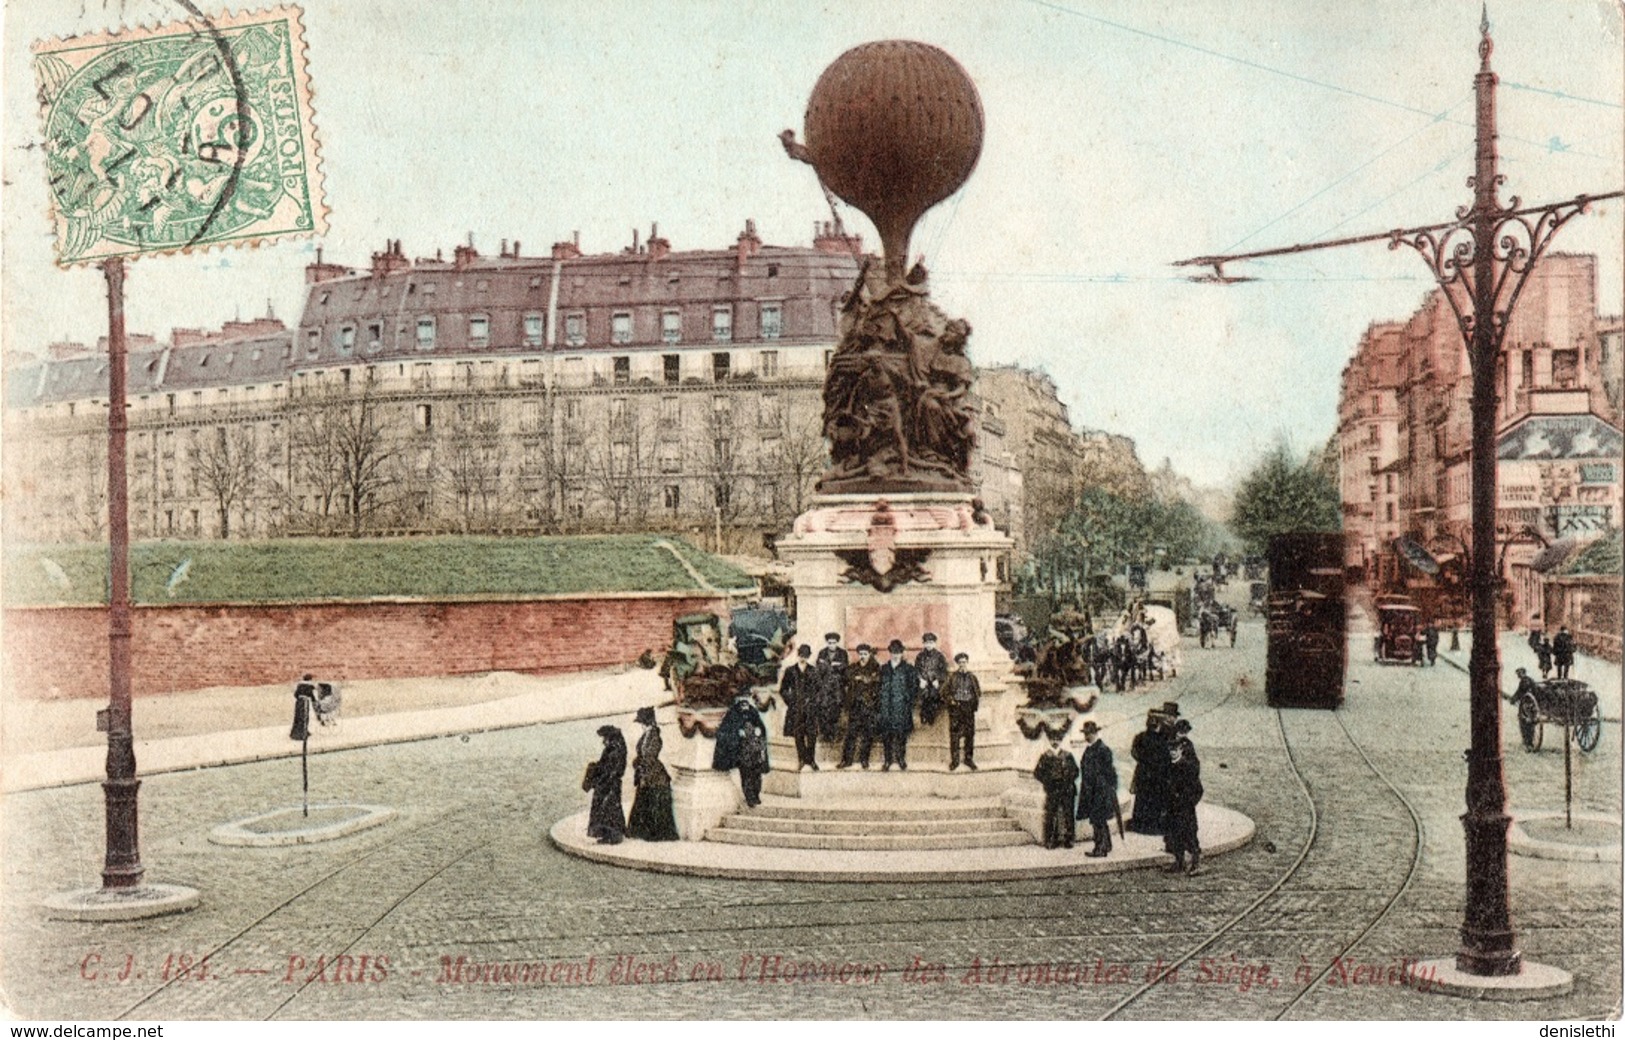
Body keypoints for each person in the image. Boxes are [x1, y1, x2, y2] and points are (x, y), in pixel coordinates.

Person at [627, 707, 678, 841]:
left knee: (653, 802)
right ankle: (640, 831)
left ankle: (654, 834)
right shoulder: (646, 735)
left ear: (647, 722)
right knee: (642, 802)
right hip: (646, 772)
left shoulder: (654, 735)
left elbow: (650, 756)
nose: (641, 726)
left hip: (654, 774)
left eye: (642, 723)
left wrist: (641, 765)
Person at [714, 690, 770, 807]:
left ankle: (756, 794)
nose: (745, 702)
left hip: (754, 749)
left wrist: (758, 731)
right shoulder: (733, 712)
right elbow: (727, 729)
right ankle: (749, 797)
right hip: (742, 750)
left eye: (746, 699)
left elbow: (760, 726)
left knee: (756, 774)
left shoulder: (752, 711)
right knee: (746, 774)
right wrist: (738, 732)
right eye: (743, 699)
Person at [1164, 719, 1203, 875]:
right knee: (1174, 835)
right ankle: (1179, 862)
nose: (1173, 752)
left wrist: (1188, 803)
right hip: (1173, 807)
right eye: (1170, 750)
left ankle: (1196, 863)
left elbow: (1197, 787)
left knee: (1189, 833)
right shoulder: (1169, 765)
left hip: (1185, 807)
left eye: (1184, 731)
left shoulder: (1188, 761)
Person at [1126, 708, 1172, 835]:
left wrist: (1145, 761)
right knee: (1152, 799)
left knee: (1146, 798)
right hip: (1155, 774)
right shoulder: (1162, 739)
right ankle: (1150, 825)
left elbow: (1135, 753)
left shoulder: (1141, 737)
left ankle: (1143, 824)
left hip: (1147, 773)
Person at [876, 639, 919, 770]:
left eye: (898, 652)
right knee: (887, 736)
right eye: (893, 652)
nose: (896, 655)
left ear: (902, 653)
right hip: (886, 707)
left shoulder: (908, 669)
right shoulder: (884, 669)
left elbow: (914, 687)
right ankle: (888, 761)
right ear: (890, 653)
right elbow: (878, 687)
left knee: (901, 735)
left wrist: (907, 701)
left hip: (901, 707)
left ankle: (901, 759)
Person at [1077, 720, 1118, 857]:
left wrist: (1108, 790)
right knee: (1097, 819)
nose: (1085, 736)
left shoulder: (1103, 750)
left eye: (1087, 733)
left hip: (1100, 792)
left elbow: (1110, 773)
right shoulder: (1089, 749)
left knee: (1098, 820)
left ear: (1094, 733)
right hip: (1091, 791)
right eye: (1085, 733)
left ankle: (1100, 848)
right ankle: (1106, 845)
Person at [584, 725, 627, 845]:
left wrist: (600, 779)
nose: (603, 741)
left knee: (608, 809)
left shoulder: (614, 749)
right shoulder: (615, 747)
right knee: (609, 809)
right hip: (609, 782)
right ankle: (610, 834)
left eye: (604, 738)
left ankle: (612, 835)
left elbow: (613, 769)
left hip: (609, 783)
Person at [839, 645, 881, 769]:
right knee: (851, 734)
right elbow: (845, 678)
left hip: (869, 706)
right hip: (856, 706)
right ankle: (846, 760)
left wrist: (864, 679)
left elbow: (877, 683)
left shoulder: (875, 667)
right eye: (861, 654)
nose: (863, 656)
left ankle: (864, 760)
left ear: (869, 654)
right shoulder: (853, 667)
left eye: (865, 654)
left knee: (868, 734)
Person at [1033, 735, 1078, 849]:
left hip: (1067, 789)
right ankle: (1051, 840)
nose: (1055, 742)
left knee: (1068, 814)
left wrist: (1068, 780)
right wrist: (1047, 782)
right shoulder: (1045, 756)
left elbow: (1075, 771)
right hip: (1053, 789)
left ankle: (1069, 839)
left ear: (1061, 740)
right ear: (1049, 740)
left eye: (1057, 739)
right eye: (1052, 739)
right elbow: (1037, 773)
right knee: (1051, 814)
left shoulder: (1067, 756)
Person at [779, 644, 820, 770]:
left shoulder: (813, 671)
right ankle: (801, 759)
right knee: (798, 735)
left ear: (808, 656)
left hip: (810, 709)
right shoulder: (790, 670)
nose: (803, 658)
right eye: (801, 655)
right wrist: (791, 701)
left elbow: (819, 690)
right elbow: (783, 689)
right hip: (796, 709)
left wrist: (813, 702)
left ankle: (811, 760)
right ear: (798, 655)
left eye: (806, 656)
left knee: (812, 735)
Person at [944, 652, 981, 770]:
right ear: (957, 664)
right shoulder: (952, 677)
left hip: (968, 709)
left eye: (964, 662)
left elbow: (978, 691)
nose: (962, 665)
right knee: (955, 736)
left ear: (967, 663)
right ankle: (955, 761)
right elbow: (944, 692)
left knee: (969, 735)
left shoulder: (972, 677)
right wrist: (952, 701)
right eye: (960, 663)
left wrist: (972, 701)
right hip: (956, 710)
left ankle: (968, 759)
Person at [814, 633, 849, 743]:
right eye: (830, 643)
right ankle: (825, 735)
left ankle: (834, 735)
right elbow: (818, 670)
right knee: (823, 711)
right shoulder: (822, 653)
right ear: (827, 643)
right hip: (824, 689)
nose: (832, 645)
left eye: (834, 643)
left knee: (835, 712)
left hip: (837, 689)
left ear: (837, 643)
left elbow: (845, 669)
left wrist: (834, 668)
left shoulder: (842, 653)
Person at [915, 632, 948, 727]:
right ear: (924, 644)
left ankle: (931, 716)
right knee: (923, 695)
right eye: (926, 643)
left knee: (934, 695)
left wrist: (937, 679)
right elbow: (916, 669)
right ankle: (924, 715)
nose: (928, 645)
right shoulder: (920, 656)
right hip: (923, 683)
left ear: (934, 643)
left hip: (935, 683)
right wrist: (920, 679)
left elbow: (943, 671)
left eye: (931, 642)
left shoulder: (940, 656)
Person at [290, 673, 318, 742]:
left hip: (298, 702)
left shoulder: (300, 685)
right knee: (305, 717)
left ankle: (296, 732)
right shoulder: (310, 686)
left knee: (298, 717)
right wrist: (315, 701)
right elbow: (311, 695)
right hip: (305, 703)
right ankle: (302, 733)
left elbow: (295, 694)